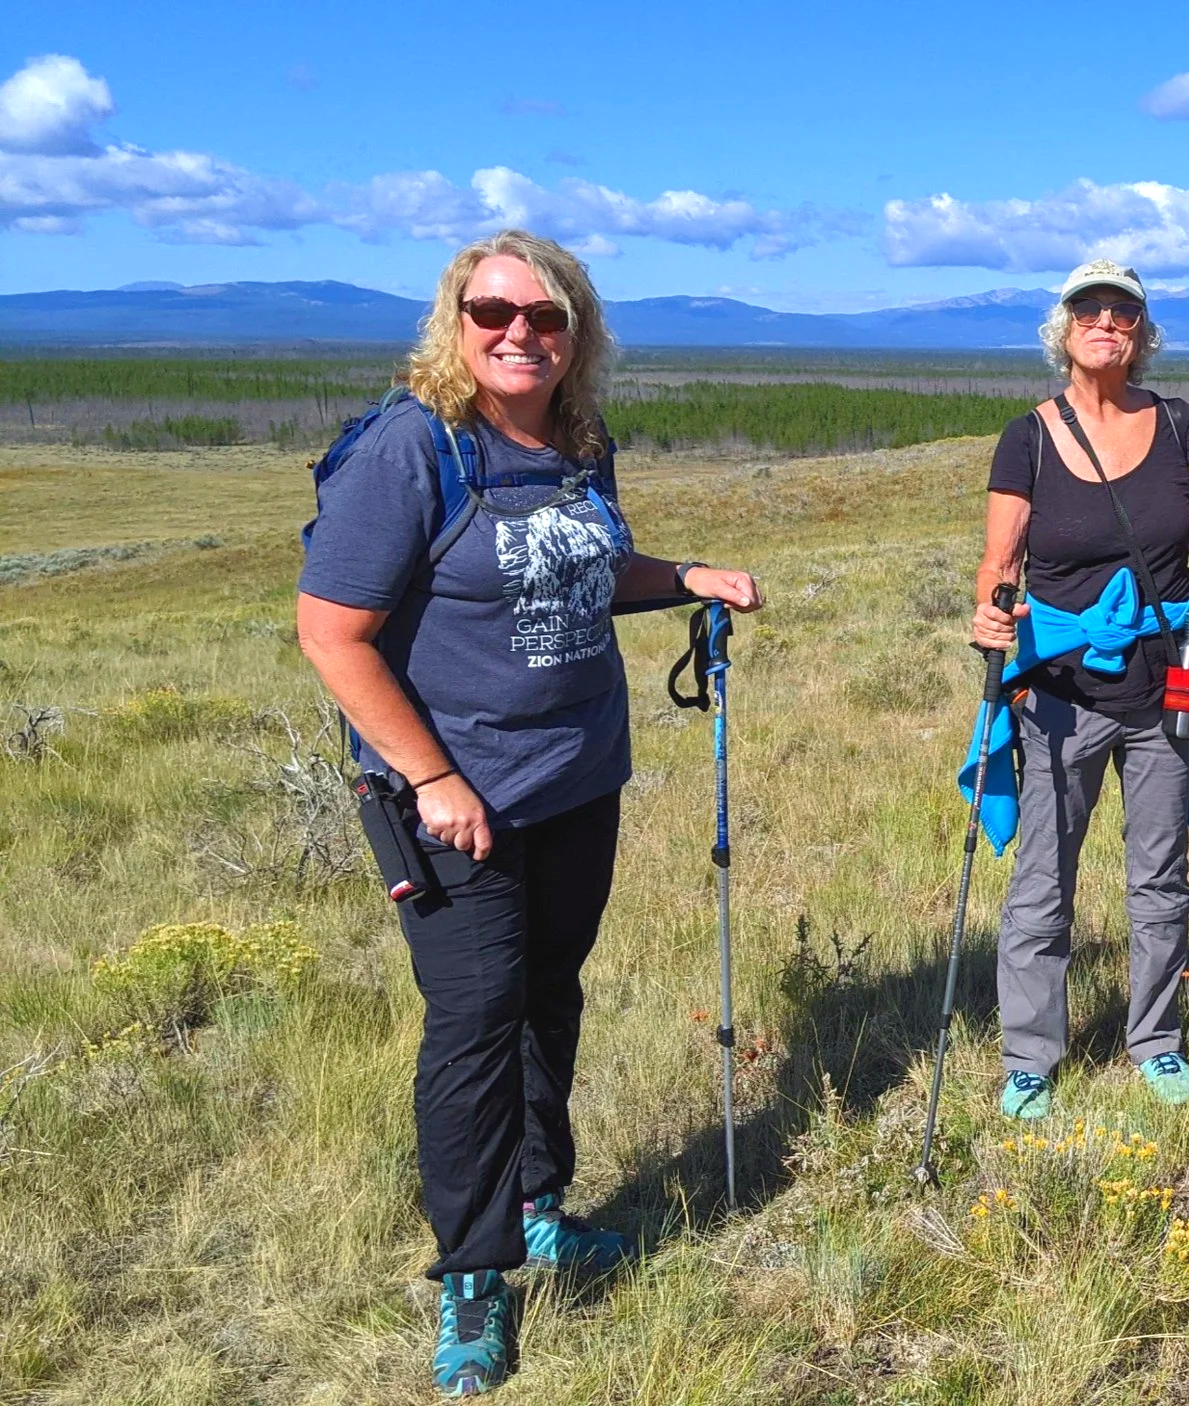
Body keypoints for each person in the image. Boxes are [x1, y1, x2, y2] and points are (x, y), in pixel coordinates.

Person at [297, 229, 762, 1395]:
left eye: (546, 317)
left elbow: (590, 572)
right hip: (454, 806)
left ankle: (540, 1203)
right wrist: (436, 778)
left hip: (574, 783)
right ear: (455, 322)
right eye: (494, 311)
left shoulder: (576, 442)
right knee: (473, 1024)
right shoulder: (413, 448)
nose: (520, 334)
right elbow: (331, 633)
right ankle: (472, 1272)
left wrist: (686, 576)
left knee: (550, 992)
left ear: (577, 333)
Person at [965, 259, 1189, 1121]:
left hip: (1162, 687)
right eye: (1089, 309)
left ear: (1140, 334)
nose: (1107, 322)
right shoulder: (1026, 436)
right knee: (1042, 882)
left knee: (1161, 877)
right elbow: (1000, 565)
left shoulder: (1177, 424)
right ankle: (1030, 1058)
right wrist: (989, 620)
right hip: (1059, 693)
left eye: (1123, 312)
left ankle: (1156, 1041)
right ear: (1063, 330)